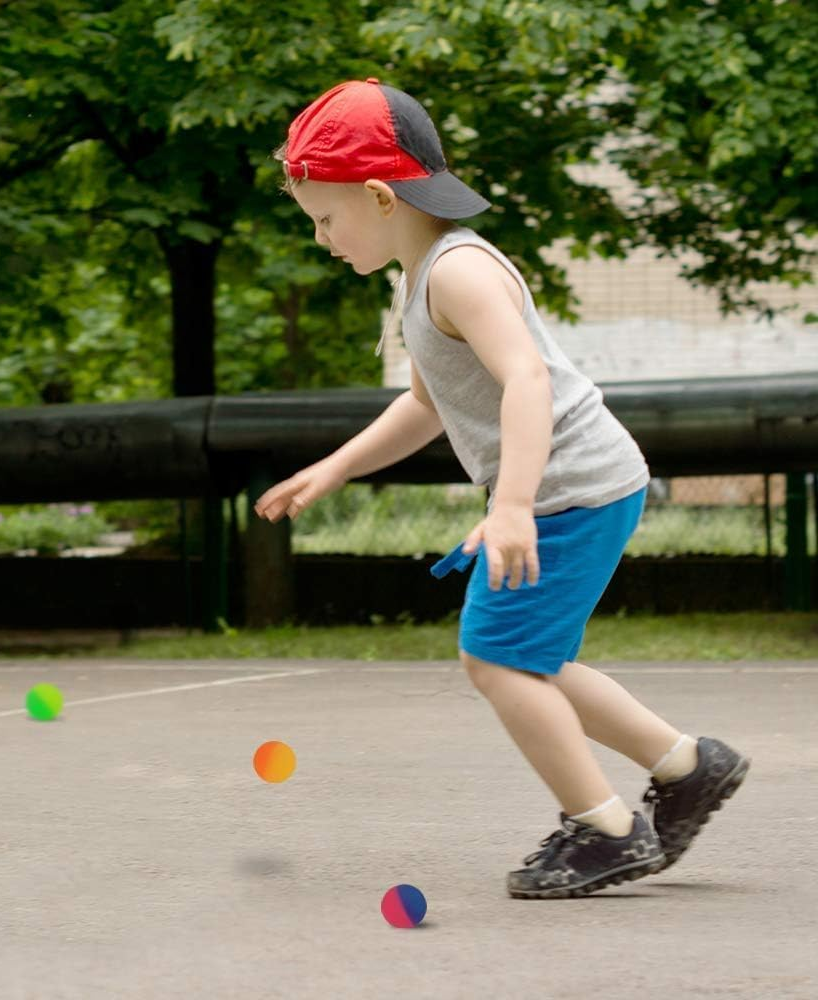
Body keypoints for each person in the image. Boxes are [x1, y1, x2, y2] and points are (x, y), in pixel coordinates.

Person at [255, 78, 749, 899]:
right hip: (572, 486)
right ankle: (689, 766)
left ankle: (606, 829)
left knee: (495, 656)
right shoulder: (419, 277)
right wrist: (337, 464)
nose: (320, 238)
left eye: (325, 218)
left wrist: (512, 505)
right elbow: (425, 405)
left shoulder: (458, 272)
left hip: (567, 490)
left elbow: (526, 378)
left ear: (380, 198)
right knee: (532, 657)